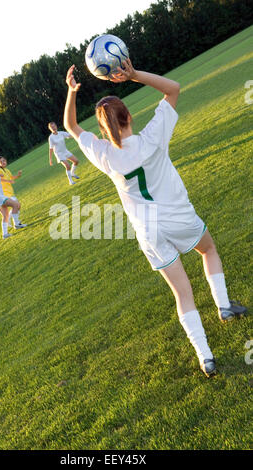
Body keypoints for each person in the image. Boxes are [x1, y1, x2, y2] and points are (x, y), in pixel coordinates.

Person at [63, 61, 247, 378]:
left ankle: (206, 358)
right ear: (129, 117)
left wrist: (71, 92)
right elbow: (173, 89)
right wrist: (132, 75)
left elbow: (71, 127)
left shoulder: (105, 154)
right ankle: (224, 306)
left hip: (149, 231)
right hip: (179, 216)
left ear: (103, 130)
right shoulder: (152, 138)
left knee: (182, 294)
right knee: (209, 250)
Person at [0, 156, 27, 229]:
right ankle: (16, 224)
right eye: (1, 162)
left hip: (10, 192)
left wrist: (18, 175)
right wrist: (8, 181)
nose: (3, 162)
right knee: (17, 205)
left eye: (4, 160)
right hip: (5, 193)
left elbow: (11, 177)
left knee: (17, 206)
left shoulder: (6, 170)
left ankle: (9, 219)